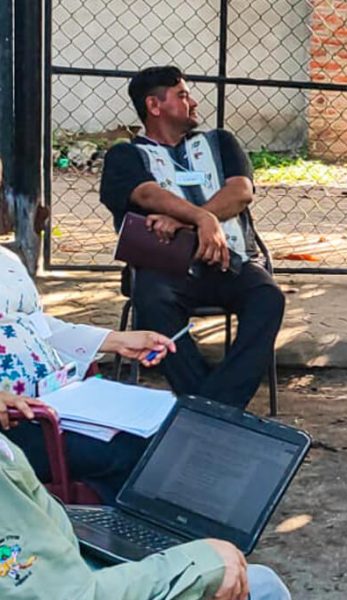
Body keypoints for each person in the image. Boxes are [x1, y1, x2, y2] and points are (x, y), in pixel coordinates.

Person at [99, 65, 284, 410]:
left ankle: (208, 408)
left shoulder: (220, 143)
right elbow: (147, 195)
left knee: (268, 297)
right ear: (154, 106)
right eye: (182, 96)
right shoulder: (125, 155)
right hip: (164, 270)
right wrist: (201, 218)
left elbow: (241, 192)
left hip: (229, 260)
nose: (193, 103)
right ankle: (214, 407)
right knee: (152, 302)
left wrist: (189, 221)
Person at [0, 394, 289, 599]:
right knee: (259, 584)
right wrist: (203, 562)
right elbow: (68, 594)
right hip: (66, 581)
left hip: (57, 555)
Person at [0, 243, 176, 503]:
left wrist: (116, 340)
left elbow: (41, 326)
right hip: (17, 421)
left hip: (57, 403)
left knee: (169, 432)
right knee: (129, 452)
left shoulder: (6, 259)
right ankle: (115, 536)